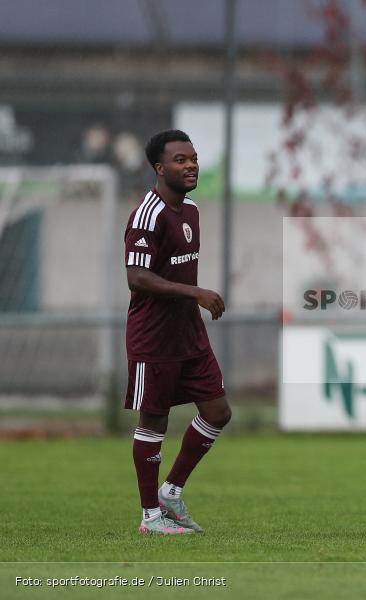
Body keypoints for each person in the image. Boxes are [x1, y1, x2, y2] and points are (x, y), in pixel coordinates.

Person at [124, 129, 229, 535]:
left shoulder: (192, 211)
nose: (191, 166)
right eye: (180, 160)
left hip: (189, 334)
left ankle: (171, 492)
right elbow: (137, 278)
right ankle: (150, 517)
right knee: (154, 421)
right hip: (154, 336)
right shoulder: (147, 215)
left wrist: (193, 300)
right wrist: (196, 293)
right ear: (159, 168)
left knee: (218, 412)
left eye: (194, 158)